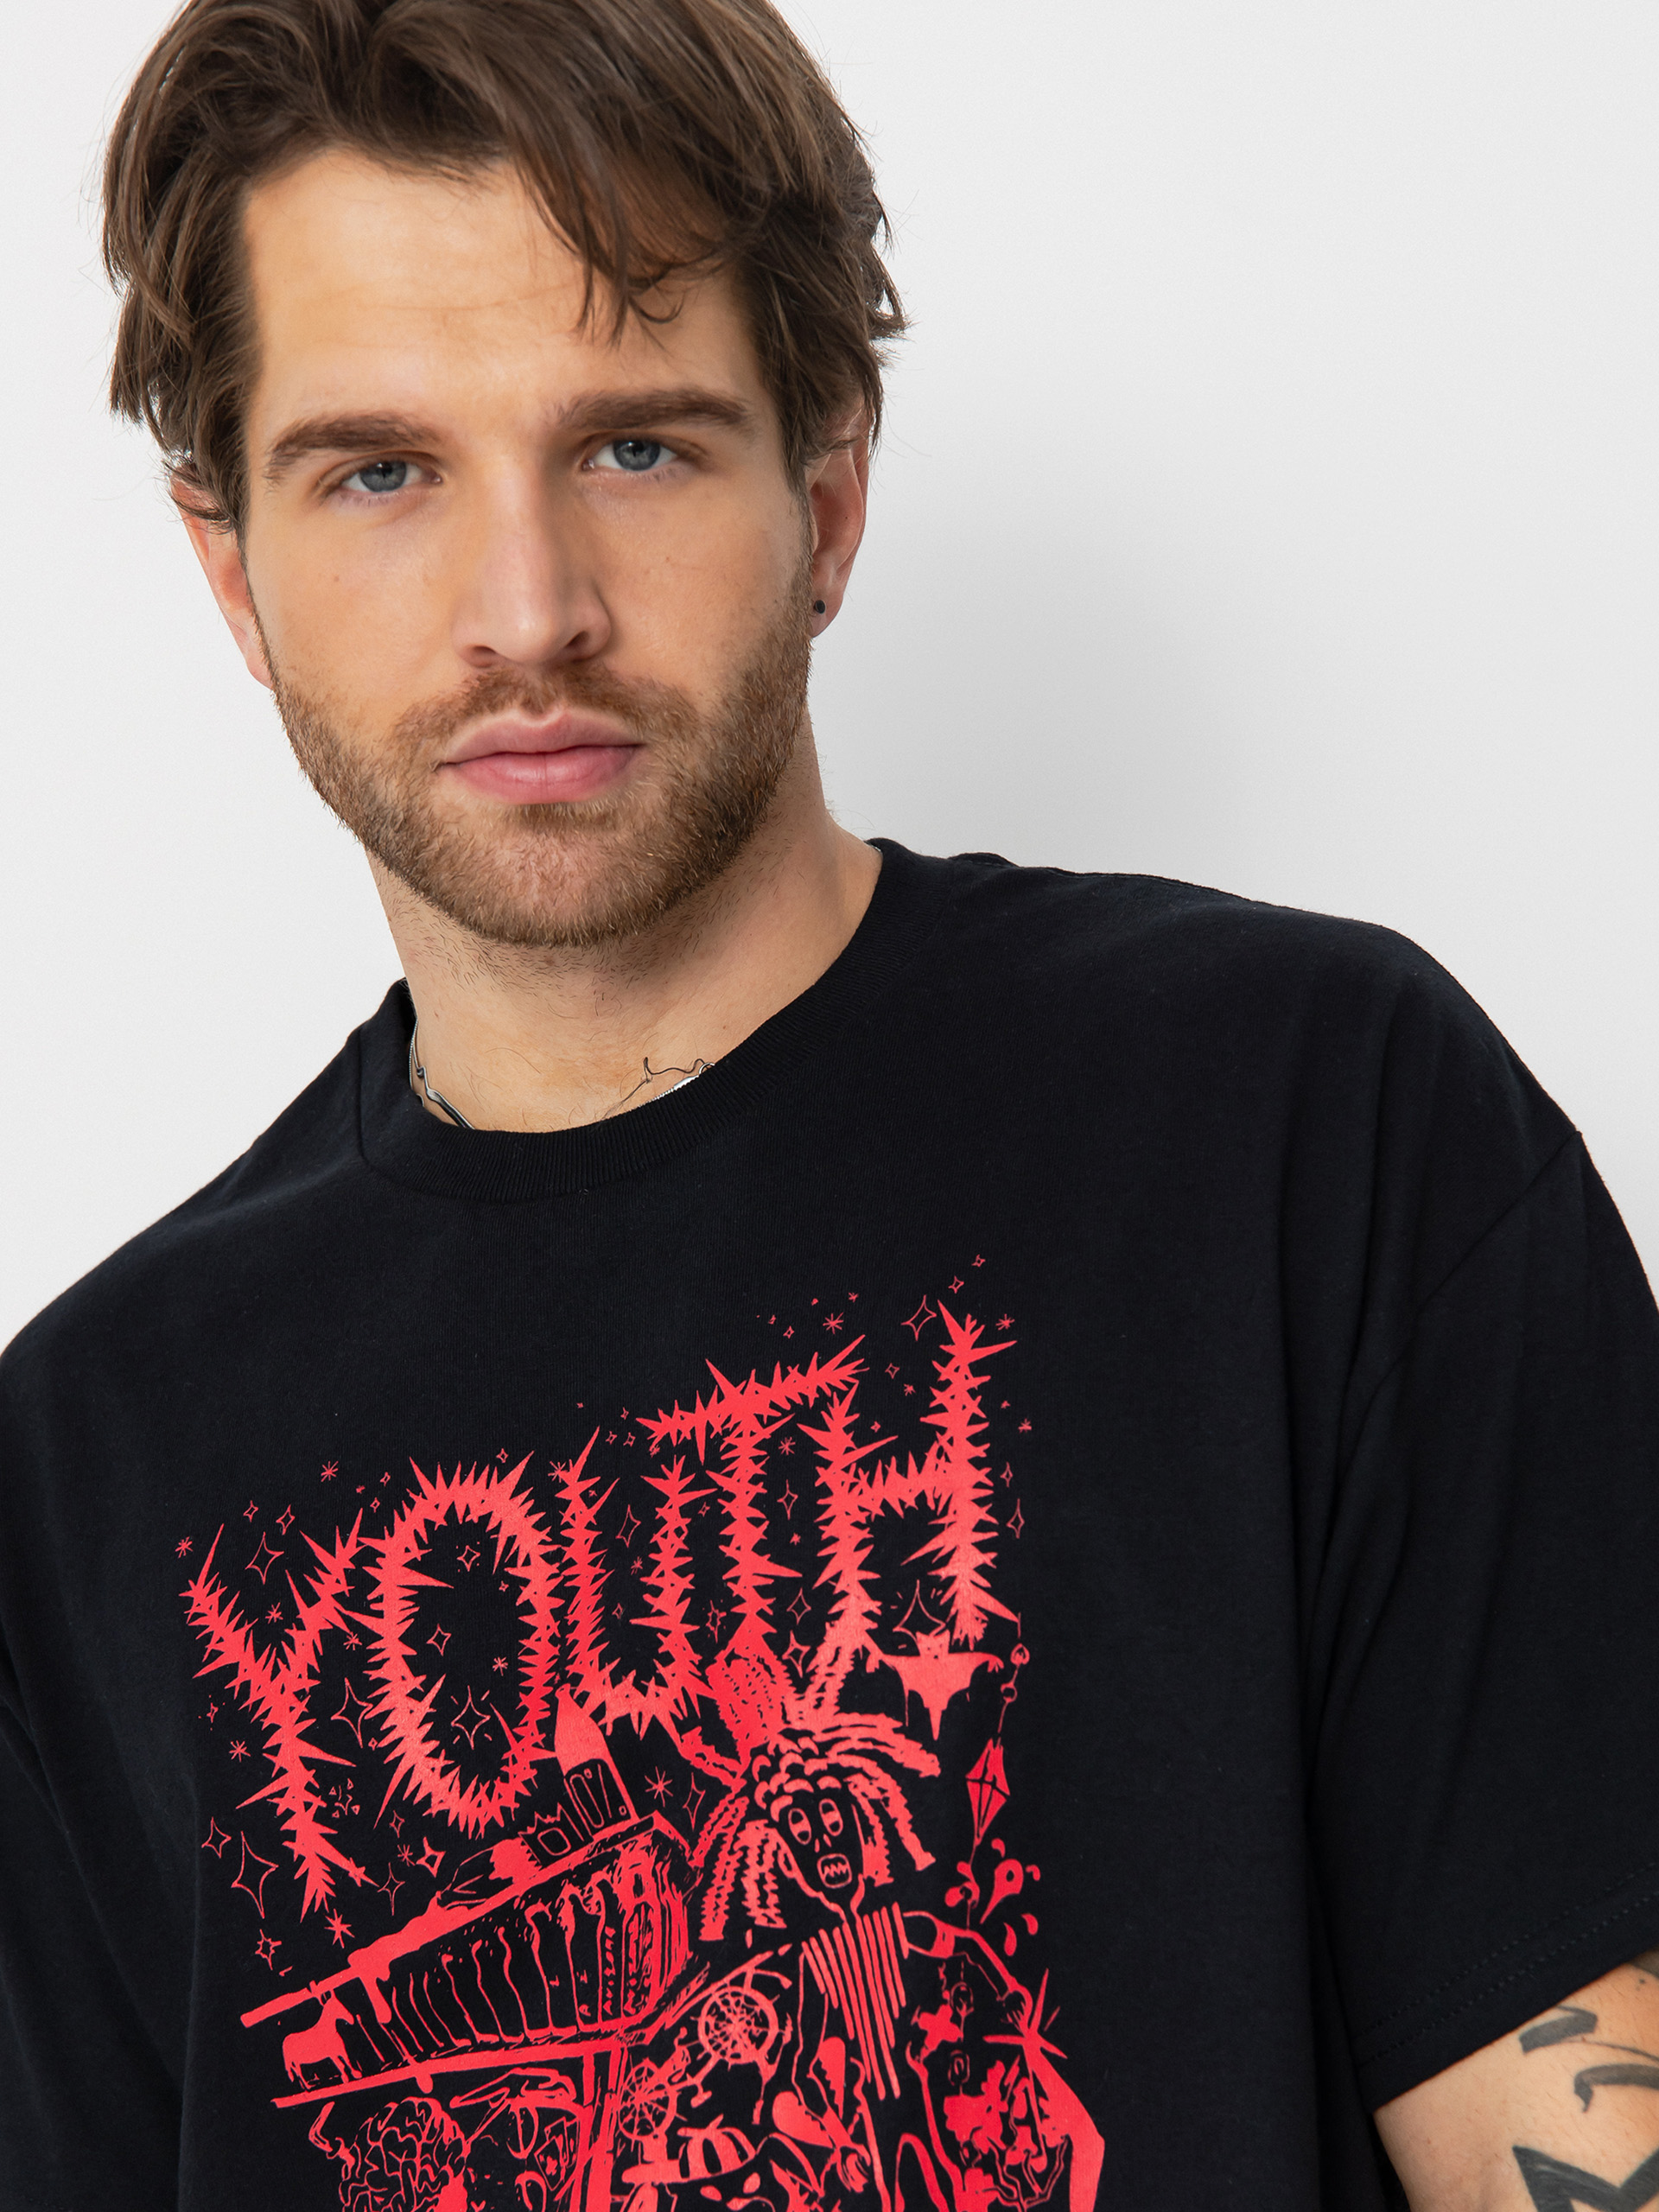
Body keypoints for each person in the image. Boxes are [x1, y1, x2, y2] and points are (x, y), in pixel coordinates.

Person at [3, 1, 1659, 2206]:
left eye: (636, 446)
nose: (529, 610)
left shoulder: (1309, 1131)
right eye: (380, 471)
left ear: (831, 496)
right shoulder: (85, 1462)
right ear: (233, 570)